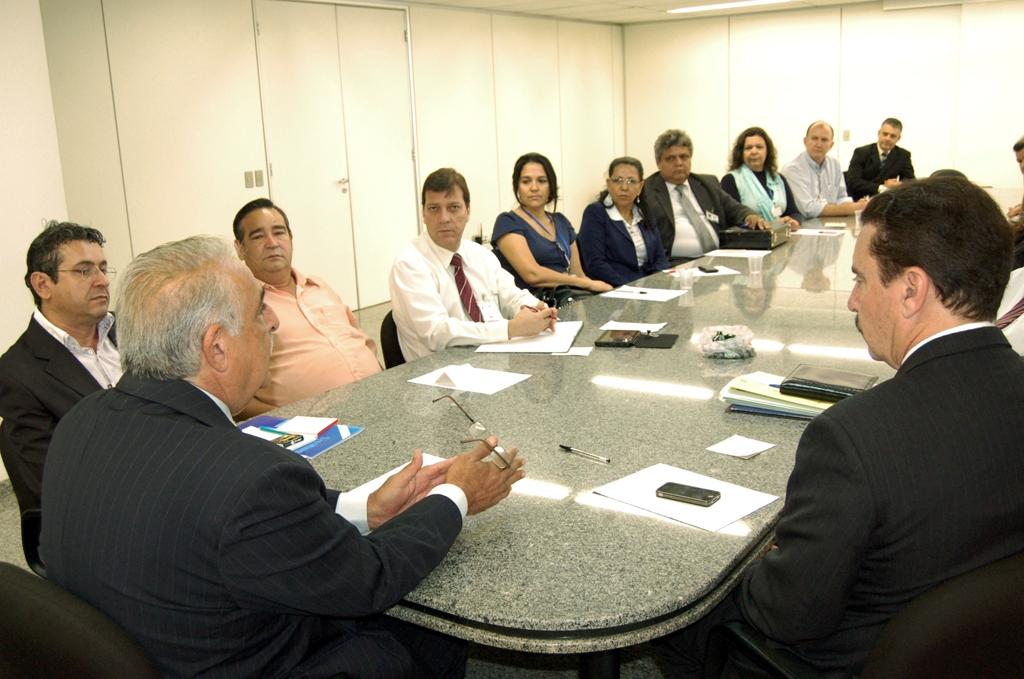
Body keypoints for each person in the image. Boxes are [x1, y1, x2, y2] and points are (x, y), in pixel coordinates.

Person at [41, 235, 526, 678]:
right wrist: (455, 494)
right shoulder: (249, 478)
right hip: (261, 662)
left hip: (166, 644)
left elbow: (228, 524)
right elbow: (367, 577)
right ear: (217, 348)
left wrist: (365, 509)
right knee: (428, 624)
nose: (272, 321)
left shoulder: (80, 422)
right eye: (258, 311)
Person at [654, 177, 1024, 677]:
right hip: (988, 649)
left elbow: (788, 614)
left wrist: (766, 561)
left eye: (861, 279)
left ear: (911, 290)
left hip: (854, 659)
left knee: (684, 617)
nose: (853, 300)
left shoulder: (852, 438)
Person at [0, 221, 121, 516]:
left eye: (103, 268)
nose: (102, 280)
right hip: (107, 512)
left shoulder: (133, 332)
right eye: (84, 270)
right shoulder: (17, 373)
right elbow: (53, 485)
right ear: (43, 284)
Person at [232, 198, 381, 418]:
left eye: (279, 232)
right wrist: (295, 419)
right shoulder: (240, 306)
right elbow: (234, 399)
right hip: (318, 428)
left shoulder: (319, 286)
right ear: (240, 249)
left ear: (291, 239)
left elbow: (362, 343)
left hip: (378, 398)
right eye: (258, 236)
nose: (272, 242)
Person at [390, 168, 558, 361]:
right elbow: (436, 333)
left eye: (453, 207)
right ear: (423, 214)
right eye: (434, 208)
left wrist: (536, 309)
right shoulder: (409, 264)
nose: (444, 218)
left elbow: (511, 296)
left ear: (468, 211)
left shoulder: (479, 254)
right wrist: (510, 328)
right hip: (440, 376)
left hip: (494, 363)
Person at [489, 153, 612, 305]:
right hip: (531, 305)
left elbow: (578, 273)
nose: (534, 188)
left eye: (541, 181)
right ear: (517, 187)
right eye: (526, 181)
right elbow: (532, 275)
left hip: (567, 298)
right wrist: (587, 284)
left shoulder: (561, 221)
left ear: (551, 186)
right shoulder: (508, 221)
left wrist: (601, 288)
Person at [639, 129, 768, 264]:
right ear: (658, 162)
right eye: (671, 158)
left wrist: (750, 216)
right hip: (676, 264)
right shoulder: (647, 191)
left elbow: (734, 208)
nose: (679, 163)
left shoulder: (707, 183)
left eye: (684, 157)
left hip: (718, 258)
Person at [577, 156, 670, 286]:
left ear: (640, 186)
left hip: (648, 287)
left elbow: (660, 258)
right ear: (609, 184)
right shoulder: (596, 212)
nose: (624, 187)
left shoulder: (645, 213)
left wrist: (659, 281)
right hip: (614, 289)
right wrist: (630, 288)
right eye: (618, 180)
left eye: (631, 181)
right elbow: (595, 264)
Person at [720, 127, 802, 229]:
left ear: (767, 151)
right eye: (748, 148)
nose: (754, 151)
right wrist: (772, 224)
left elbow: (794, 212)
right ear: (741, 153)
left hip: (782, 237)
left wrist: (793, 221)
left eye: (759, 147)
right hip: (751, 241)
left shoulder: (779, 178)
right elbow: (731, 220)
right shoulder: (730, 180)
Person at [783, 121, 869, 218]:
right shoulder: (792, 170)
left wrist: (855, 206)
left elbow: (841, 197)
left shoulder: (834, 165)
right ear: (805, 141)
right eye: (814, 138)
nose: (819, 144)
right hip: (805, 226)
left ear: (831, 145)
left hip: (832, 224)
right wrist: (855, 207)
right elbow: (808, 209)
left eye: (824, 140)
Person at [844, 118, 916, 200]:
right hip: (861, 199)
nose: (887, 138)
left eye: (892, 136)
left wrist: (898, 185)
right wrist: (883, 187)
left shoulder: (903, 155)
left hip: (887, 201)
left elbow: (910, 182)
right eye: (885, 134)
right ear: (879, 134)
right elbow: (853, 182)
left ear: (898, 138)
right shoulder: (861, 153)